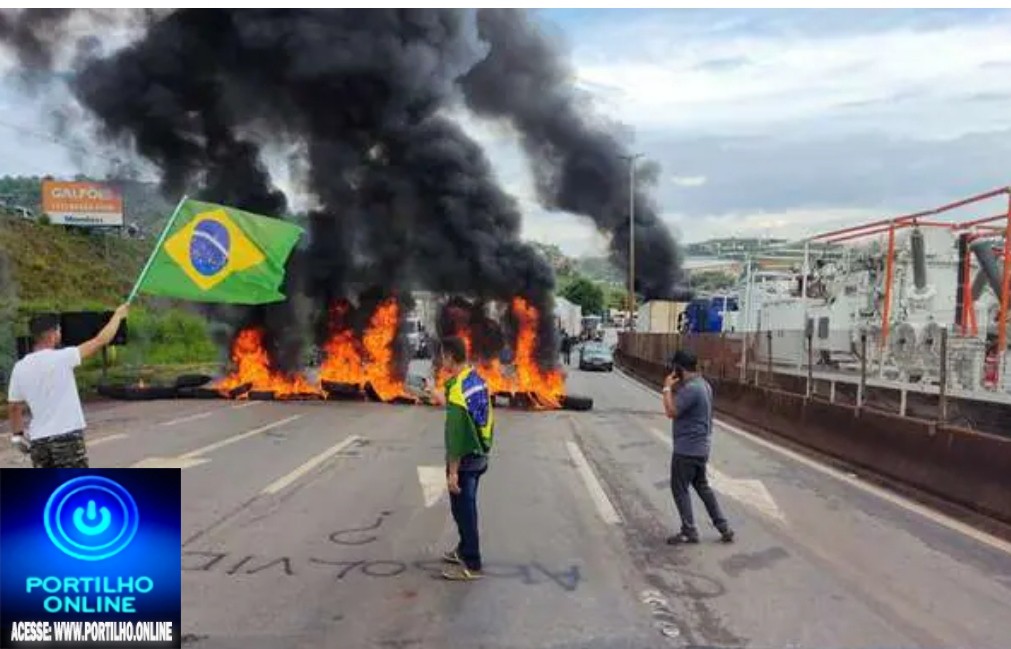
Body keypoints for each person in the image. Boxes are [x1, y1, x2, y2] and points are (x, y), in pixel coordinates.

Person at [7, 305, 129, 468]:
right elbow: (101, 340)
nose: (60, 334)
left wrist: (18, 435)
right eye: (58, 330)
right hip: (67, 437)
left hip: (38, 442)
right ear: (51, 335)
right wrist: (118, 316)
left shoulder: (19, 367)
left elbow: (14, 406)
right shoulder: (64, 357)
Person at [428, 336, 494, 581]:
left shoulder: (457, 391)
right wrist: (434, 392)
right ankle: (463, 549)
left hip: (466, 457)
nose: (440, 359)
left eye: (442, 355)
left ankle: (472, 562)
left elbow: (456, 437)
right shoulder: (471, 378)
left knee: (464, 510)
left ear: (449, 357)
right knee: (462, 507)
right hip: (480, 452)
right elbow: (454, 404)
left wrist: (453, 472)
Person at [662, 349, 735, 545]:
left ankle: (689, 530)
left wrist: (667, 388)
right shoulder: (704, 386)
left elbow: (671, 411)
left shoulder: (692, 389)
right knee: (702, 487)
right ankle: (723, 526)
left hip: (686, 449)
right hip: (701, 448)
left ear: (679, 368)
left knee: (679, 489)